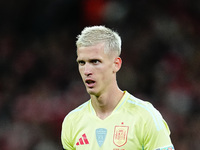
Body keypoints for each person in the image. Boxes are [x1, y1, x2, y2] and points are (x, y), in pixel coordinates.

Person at [61, 25, 175, 150]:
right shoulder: (72, 122)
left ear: (116, 64)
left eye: (95, 62)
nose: (87, 71)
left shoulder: (145, 117)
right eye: (81, 63)